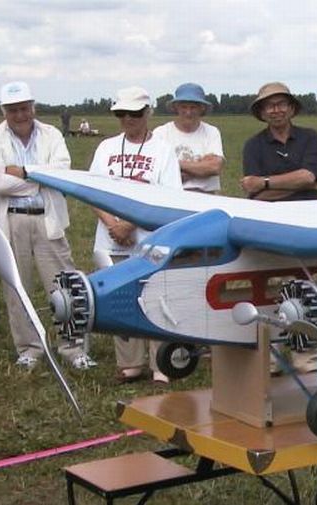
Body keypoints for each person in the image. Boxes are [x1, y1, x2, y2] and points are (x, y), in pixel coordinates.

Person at [0, 81, 95, 369]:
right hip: (10, 221)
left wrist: (20, 173)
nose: (19, 115)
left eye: (24, 108)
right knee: (16, 287)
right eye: (12, 110)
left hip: (48, 220)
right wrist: (39, 179)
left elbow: (62, 172)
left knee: (65, 285)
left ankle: (73, 350)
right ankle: (29, 348)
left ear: (33, 107)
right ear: (3, 110)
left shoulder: (52, 134)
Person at [88, 86, 183, 384]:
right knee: (118, 297)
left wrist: (129, 224)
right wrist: (112, 224)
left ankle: (159, 363)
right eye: (122, 114)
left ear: (147, 113)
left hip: (150, 239)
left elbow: (169, 198)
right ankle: (129, 363)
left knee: (155, 295)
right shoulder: (105, 147)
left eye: (135, 113)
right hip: (109, 236)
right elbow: (93, 191)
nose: (128, 119)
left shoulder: (163, 150)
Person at [240, 82, 317, 372]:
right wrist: (296, 182)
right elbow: (254, 195)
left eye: (281, 103)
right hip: (270, 228)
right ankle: (272, 355)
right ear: (262, 112)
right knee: (270, 286)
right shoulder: (253, 145)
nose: (276, 109)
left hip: (306, 227)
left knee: (306, 288)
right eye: (269, 105)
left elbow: (310, 176)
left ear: (291, 108)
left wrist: (266, 182)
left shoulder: (310, 138)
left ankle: (304, 355)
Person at [153, 83, 225, 194]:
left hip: (205, 197)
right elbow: (157, 172)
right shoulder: (161, 133)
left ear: (202, 108)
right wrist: (199, 167)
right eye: (184, 107)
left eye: (193, 107)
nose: (188, 112)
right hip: (170, 196)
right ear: (176, 108)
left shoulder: (211, 132)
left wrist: (174, 165)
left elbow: (214, 167)